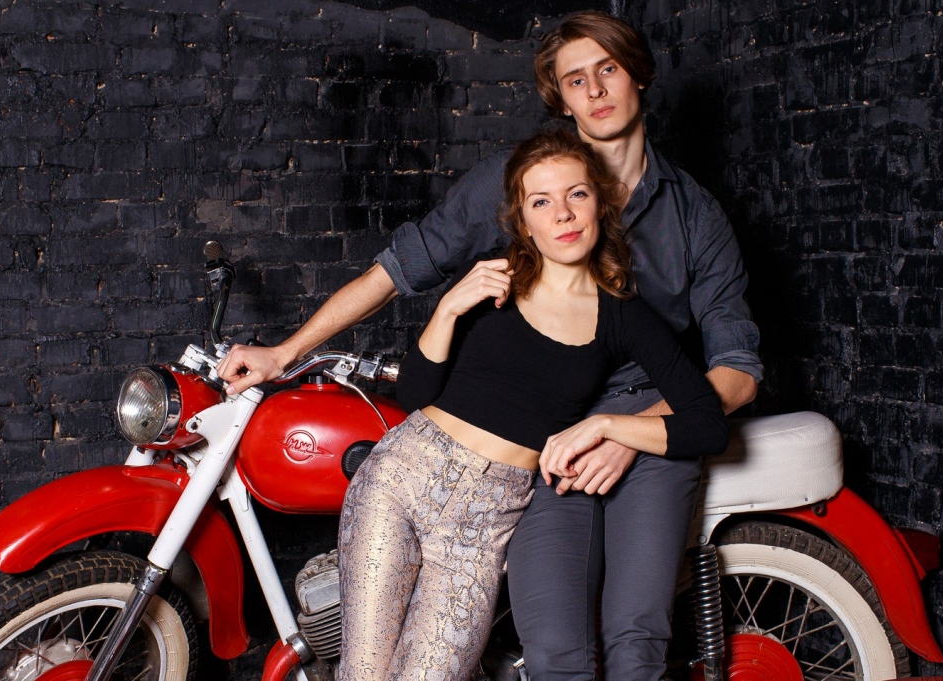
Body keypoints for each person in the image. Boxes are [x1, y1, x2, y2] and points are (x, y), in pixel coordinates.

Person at [217, 11, 762, 680]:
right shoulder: (520, 180)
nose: (595, 91)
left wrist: (628, 431)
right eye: (576, 79)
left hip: (647, 424)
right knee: (551, 647)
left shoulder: (694, 218)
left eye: (609, 70)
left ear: (639, 76)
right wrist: (286, 352)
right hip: (532, 447)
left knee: (634, 636)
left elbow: (735, 371)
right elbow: (399, 270)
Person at [335, 129, 728, 681]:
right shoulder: (495, 280)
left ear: (601, 205)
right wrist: (447, 309)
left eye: (577, 195)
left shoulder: (623, 315)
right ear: (523, 222)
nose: (562, 214)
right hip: (403, 479)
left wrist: (608, 425)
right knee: (364, 673)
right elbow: (417, 396)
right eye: (541, 202)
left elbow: (708, 424)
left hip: (485, 523)